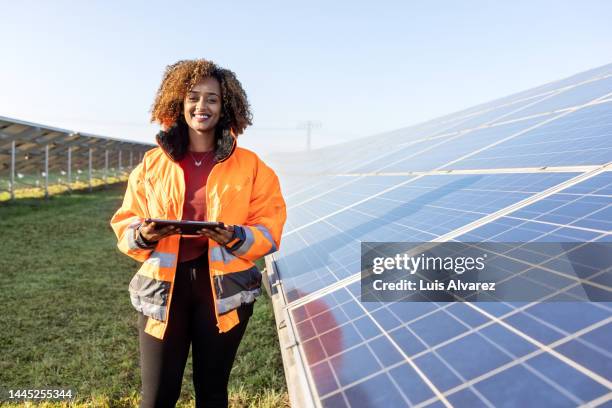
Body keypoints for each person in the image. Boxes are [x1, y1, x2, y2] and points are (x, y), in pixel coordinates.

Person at [109, 59, 286, 408]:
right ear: (178, 102)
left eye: (212, 99)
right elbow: (125, 223)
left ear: (226, 107)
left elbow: (270, 226)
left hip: (223, 292)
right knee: (157, 397)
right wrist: (145, 232)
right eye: (193, 97)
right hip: (162, 290)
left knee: (212, 393)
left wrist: (234, 236)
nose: (201, 106)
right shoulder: (152, 163)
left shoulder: (252, 166)